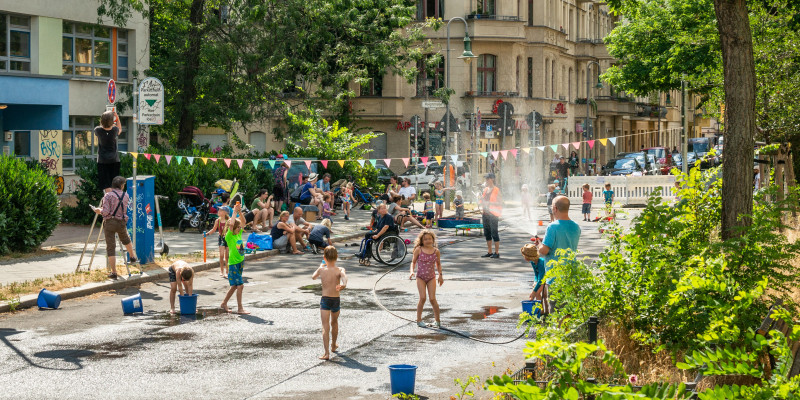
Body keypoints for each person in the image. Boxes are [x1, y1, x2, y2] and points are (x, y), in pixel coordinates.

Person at [92, 176, 137, 279]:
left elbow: (106, 211)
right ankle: (132, 256)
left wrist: (99, 211)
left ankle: (114, 272)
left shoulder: (108, 196)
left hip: (110, 223)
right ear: (121, 185)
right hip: (121, 222)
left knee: (111, 247)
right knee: (126, 239)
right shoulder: (126, 195)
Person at [312, 246, 348, 360]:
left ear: (324, 257)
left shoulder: (322, 270)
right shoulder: (340, 270)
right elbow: (344, 278)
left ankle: (326, 353)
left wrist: (319, 267)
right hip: (336, 299)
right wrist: (343, 284)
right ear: (336, 257)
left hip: (325, 300)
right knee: (334, 322)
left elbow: (313, 277)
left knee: (325, 326)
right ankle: (333, 345)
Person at [538, 196, 581, 290]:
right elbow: (565, 241)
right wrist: (545, 240)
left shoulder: (552, 227)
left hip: (555, 276)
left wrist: (539, 244)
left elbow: (544, 251)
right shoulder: (576, 226)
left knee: (556, 304)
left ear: (555, 208)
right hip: (571, 274)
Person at [409, 230, 443, 328]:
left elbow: (439, 264)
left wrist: (440, 275)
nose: (428, 241)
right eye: (425, 239)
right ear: (422, 241)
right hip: (420, 277)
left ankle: (437, 321)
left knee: (432, 299)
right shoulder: (419, 249)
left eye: (429, 239)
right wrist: (412, 271)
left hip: (431, 277)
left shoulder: (436, 251)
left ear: (433, 239)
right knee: (422, 298)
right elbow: (413, 262)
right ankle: (419, 320)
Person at [220, 203, 250, 314]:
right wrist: (234, 212)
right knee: (240, 286)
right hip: (233, 263)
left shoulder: (238, 234)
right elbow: (232, 224)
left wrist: (240, 212)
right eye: (238, 227)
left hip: (240, 262)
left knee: (234, 286)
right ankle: (240, 308)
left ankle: (224, 303)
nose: (239, 228)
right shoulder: (230, 236)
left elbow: (243, 222)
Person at [95, 110, 123, 193]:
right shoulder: (114, 130)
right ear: (112, 121)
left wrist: (105, 122)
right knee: (114, 184)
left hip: (102, 161)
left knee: (106, 184)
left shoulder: (97, 130)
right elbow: (120, 129)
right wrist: (117, 119)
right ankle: (115, 201)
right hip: (114, 160)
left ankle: (109, 201)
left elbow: (101, 126)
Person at [521, 243, 549, 315]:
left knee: (540, 294)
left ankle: (544, 311)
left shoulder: (540, 263)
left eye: (524, 256)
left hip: (546, 279)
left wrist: (533, 291)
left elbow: (541, 279)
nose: (524, 257)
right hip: (541, 279)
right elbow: (536, 274)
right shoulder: (533, 262)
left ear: (529, 256)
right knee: (537, 292)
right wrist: (535, 282)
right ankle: (541, 310)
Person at [480, 173, 502, 259]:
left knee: (494, 233)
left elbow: (500, 202)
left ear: (492, 179)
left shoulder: (496, 190)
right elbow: (482, 200)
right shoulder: (485, 189)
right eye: (486, 179)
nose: (486, 180)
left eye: (487, 179)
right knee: (487, 233)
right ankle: (489, 252)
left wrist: (490, 203)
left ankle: (497, 252)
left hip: (493, 214)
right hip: (485, 213)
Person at [204, 206, 230, 278]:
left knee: (227, 256)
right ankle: (222, 270)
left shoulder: (229, 220)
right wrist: (207, 234)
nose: (218, 211)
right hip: (221, 238)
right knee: (221, 255)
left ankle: (227, 271)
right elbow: (213, 229)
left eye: (220, 210)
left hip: (228, 239)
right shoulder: (217, 221)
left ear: (225, 212)